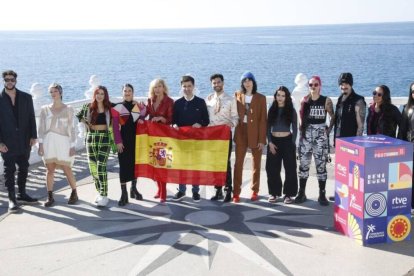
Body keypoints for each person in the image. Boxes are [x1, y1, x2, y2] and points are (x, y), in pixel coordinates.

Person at [0, 70, 38, 213]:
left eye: (12, 79)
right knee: (9, 170)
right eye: (7, 79)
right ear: (3, 81)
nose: (9, 82)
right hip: (7, 143)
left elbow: (31, 118)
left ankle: (22, 194)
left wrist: (33, 136)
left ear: (16, 81)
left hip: (24, 141)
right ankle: (11, 199)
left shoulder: (26, 97)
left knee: (24, 168)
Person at [296, 76, 335, 206]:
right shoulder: (304, 100)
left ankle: (322, 194)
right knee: (303, 165)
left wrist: (328, 131)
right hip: (306, 136)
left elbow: (333, 117)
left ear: (320, 86)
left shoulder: (326, 100)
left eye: (315, 85)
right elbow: (301, 117)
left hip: (320, 137)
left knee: (321, 166)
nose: (313, 87)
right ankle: (301, 192)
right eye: (311, 85)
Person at [37, 83, 78, 207]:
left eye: (55, 91)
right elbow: (41, 128)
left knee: (67, 169)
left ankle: (74, 192)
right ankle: (50, 196)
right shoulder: (45, 109)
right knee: (50, 170)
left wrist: (72, 145)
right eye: (51, 92)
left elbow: (72, 129)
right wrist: (40, 145)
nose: (53, 94)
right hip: (49, 143)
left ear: (60, 92)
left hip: (64, 143)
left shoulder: (69, 109)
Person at [172, 75, 209, 202]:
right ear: (181, 87)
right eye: (184, 86)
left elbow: (206, 121)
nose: (187, 89)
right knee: (181, 167)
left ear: (193, 87)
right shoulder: (177, 103)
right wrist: (175, 125)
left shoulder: (200, 102)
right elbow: (173, 121)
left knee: (195, 167)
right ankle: (181, 191)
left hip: (196, 141)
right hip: (181, 141)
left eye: (189, 86)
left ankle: (195, 192)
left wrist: (200, 124)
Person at [330, 72, 366, 201]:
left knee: (352, 172)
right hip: (339, 141)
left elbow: (360, 125)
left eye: (346, 84)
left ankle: (352, 196)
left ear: (351, 84)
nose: (343, 86)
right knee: (341, 170)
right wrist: (329, 131)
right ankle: (340, 194)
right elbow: (337, 119)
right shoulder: (340, 99)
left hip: (351, 143)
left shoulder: (358, 100)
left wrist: (356, 144)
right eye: (341, 84)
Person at [233, 71, 267, 203]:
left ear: (253, 82)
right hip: (241, 132)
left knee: (256, 164)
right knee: (238, 164)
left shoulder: (261, 98)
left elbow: (263, 120)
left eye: (249, 80)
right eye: (244, 80)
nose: (247, 83)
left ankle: (254, 190)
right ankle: (236, 192)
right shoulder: (237, 95)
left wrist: (262, 140)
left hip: (256, 133)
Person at [76, 86, 113, 207]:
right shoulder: (88, 107)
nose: (100, 96)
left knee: (101, 166)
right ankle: (99, 192)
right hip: (91, 138)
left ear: (105, 95)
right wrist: (86, 123)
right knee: (93, 167)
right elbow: (78, 116)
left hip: (105, 138)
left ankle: (104, 194)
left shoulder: (110, 107)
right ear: (94, 94)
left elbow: (119, 118)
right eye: (98, 93)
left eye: (102, 93)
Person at [205, 73, 238, 202]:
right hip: (212, 135)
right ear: (211, 84)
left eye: (219, 82)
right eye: (214, 83)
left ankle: (228, 189)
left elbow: (236, 117)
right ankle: (217, 190)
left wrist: (232, 123)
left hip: (224, 135)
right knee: (214, 163)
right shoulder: (208, 99)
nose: (216, 85)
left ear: (223, 83)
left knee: (225, 162)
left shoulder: (231, 100)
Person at [112, 84, 145, 206]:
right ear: (122, 93)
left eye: (129, 91)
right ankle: (124, 193)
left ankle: (134, 189)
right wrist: (118, 142)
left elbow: (141, 118)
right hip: (123, 141)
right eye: (125, 91)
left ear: (133, 92)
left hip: (136, 141)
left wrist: (141, 107)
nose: (127, 93)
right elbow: (115, 127)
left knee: (134, 165)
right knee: (124, 167)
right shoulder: (117, 107)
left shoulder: (136, 106)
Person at [265, 86, 298, 204]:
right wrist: (270, 142)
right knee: (272, 168)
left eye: (283, 95)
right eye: (278, 95)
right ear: (275, 96)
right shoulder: (271, 109)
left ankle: (288, 194)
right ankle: (274, 193)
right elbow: (267, 127)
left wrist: (292, 143)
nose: (280, 98)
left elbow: (295, 127)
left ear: (286, 97)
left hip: (287, 141)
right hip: (273, 141)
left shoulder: (291, 110)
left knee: (290, 168)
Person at [145, 79, 174, 203]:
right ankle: (158, 189)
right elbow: (143, 114)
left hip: (163, 137)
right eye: (155, 87)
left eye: (159, 86)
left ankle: (163, 193)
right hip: (151, 136)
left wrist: (162, 118)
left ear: (163, 87)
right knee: (153, 165)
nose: (157, 89)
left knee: (161, 163)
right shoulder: (150, 100)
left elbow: (171, 119)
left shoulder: (169, 101)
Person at [397, 82, 414, 214]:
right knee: (408, 179)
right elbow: (402, 130)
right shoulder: (407, 109)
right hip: (410, 148)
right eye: (413, 91)